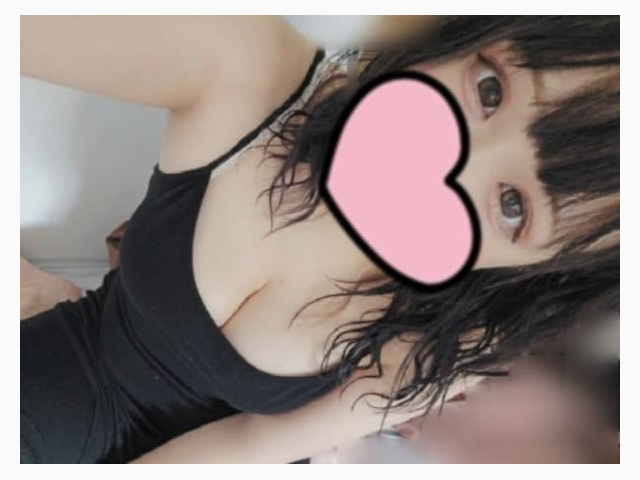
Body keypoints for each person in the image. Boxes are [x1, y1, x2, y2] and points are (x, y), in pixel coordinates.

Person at [20, 15, 619, 463]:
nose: (447, 165)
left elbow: (252, 444)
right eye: (490, 90)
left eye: (514, 205)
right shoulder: (252, 73)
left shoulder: (447, 338)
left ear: (548, 265)